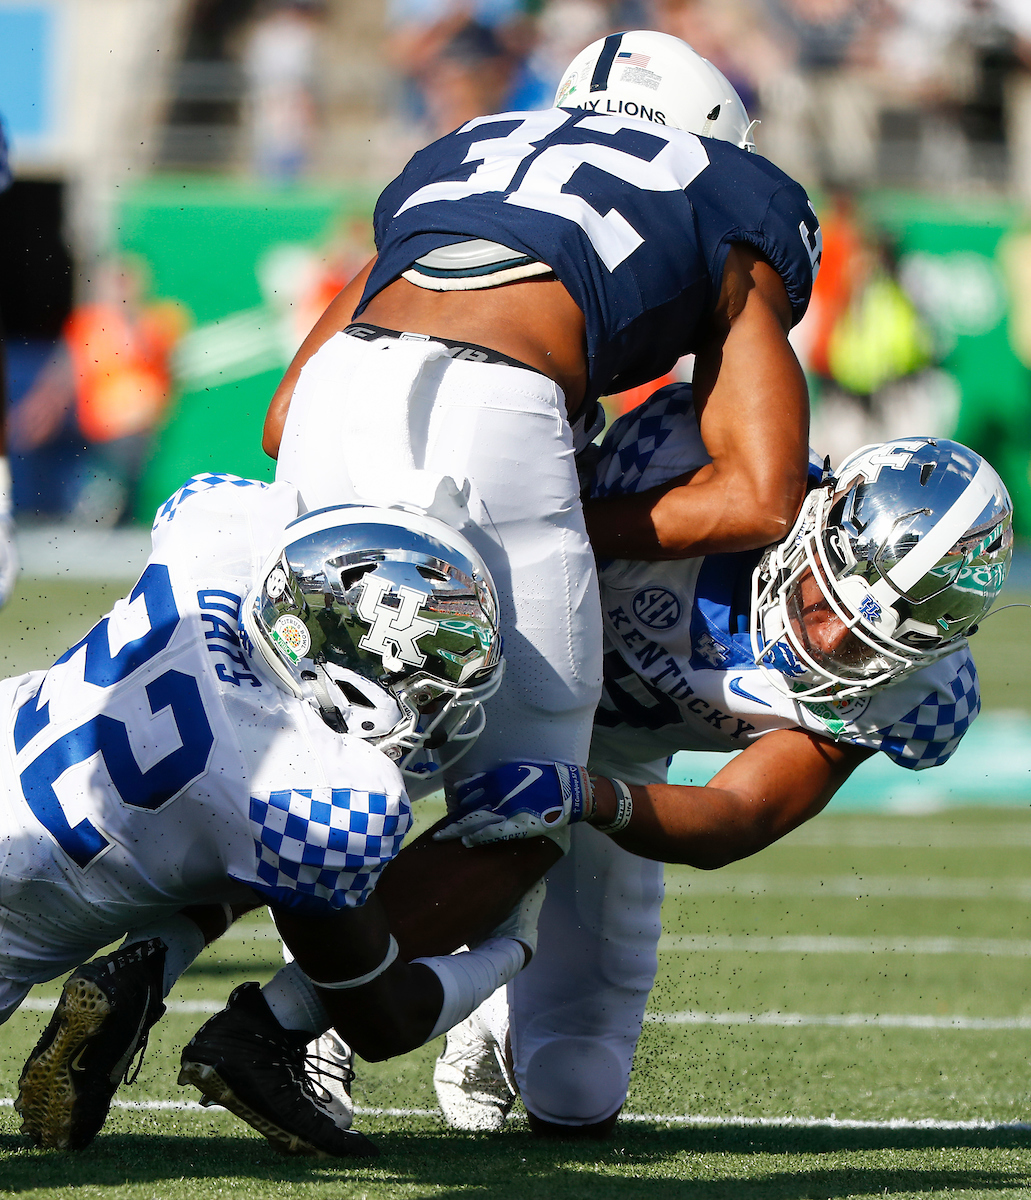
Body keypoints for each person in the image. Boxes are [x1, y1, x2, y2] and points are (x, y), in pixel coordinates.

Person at [425, 385, 1013, 1135]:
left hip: (619, 753)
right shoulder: (681, 460)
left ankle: (500, 1006)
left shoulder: (917, 697)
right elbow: (537, 538)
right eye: (821, 603)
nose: (829, 645)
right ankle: (308, 1024)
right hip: (494, 662)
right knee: (350, 790)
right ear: (809, 529)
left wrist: (587, 796)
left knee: (577, 1085)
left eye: (867, 645)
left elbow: (739, 814)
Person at [261, 29, 822, 810]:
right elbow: (759, 496)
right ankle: (491, 940)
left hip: (338, 400)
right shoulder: (723, 187)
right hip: (500, 408)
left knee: (326, 766)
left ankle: (209, 921)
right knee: (528, 789)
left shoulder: (463, 153)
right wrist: (551, 516)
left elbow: (284, 419)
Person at [3, 469, 553, 1158]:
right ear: (350, 679)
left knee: (223, 835)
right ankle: (170, 963)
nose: (436, 714)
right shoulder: (315, 793)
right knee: (254, 840)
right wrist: (514, 944)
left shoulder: (216, 547)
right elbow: (383, 1021)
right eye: (424, 689)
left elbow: (206, 491)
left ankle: (157, 955)